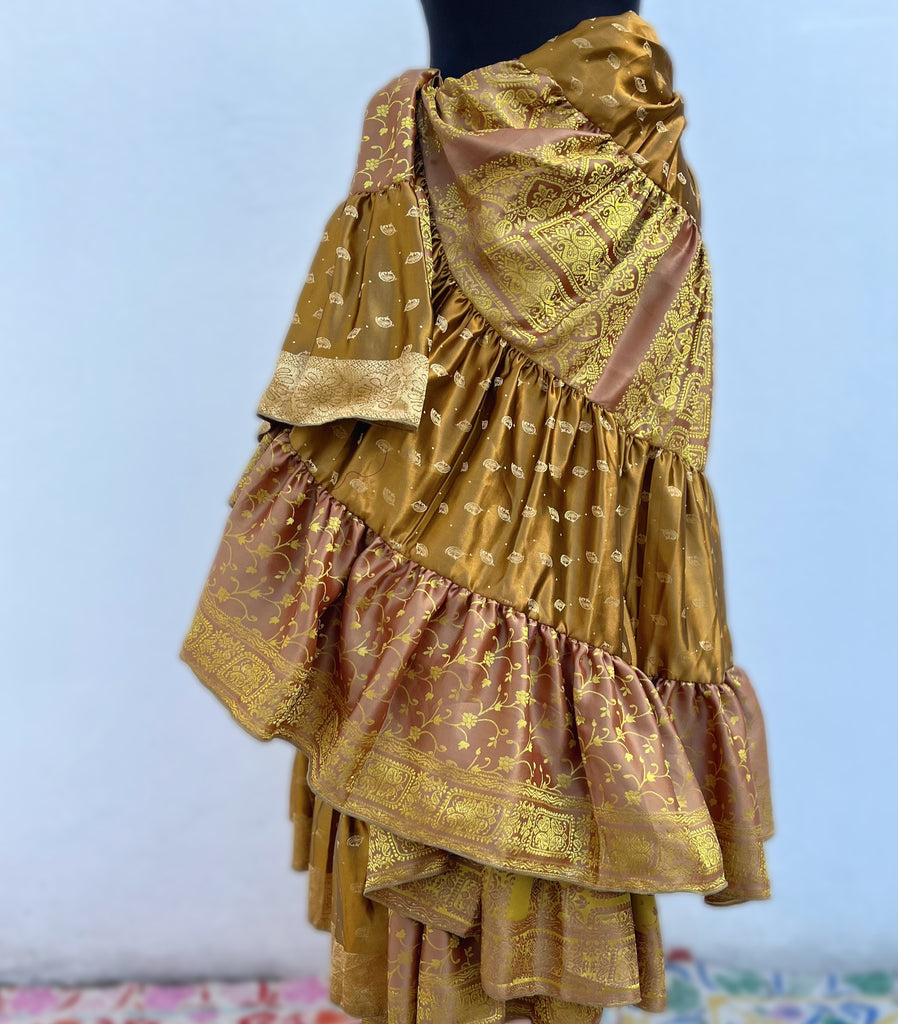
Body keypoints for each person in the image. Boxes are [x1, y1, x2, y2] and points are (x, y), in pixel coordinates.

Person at [181, 6, 775, 1022]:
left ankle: (529, 984)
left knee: (582, 585)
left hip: (613, 196)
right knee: (433, 562)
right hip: (464, 195)